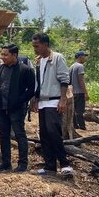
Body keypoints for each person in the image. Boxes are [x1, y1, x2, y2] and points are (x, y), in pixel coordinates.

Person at [31, 33, 73, 176]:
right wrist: (35, 98)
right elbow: (38, 81)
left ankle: (64, 164)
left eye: (37, 46)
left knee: (54, 132)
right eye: (34, 46)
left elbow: (64, 79)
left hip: (54, 100)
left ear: (45, 44)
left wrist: (62, 99)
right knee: (44, 134)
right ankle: (50, 166)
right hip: (43, 101)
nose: (35, 49)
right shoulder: (39, 61)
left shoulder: (57, 58)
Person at [0, 44, 35, 173]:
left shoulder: (25, 70)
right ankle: (6, 163)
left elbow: (31, 90)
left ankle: (23, 163)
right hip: (1, 107)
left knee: (19, 134)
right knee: (4, 135)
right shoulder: (0, 69)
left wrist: (19, 101)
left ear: (14, 55)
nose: (2, 57)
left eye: (5, 55)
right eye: (2, 54)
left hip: (17, 108)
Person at [69, 51, 89, 130]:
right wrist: (86, 93)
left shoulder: (71, 66)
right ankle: (82, 126)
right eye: (84, 56)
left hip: (72, 92)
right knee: (80, 111)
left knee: (74, 110)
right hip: (79, 92)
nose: (85, 58)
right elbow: (81, 80)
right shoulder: (80, 66)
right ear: (80, 57)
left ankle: (75, 125)